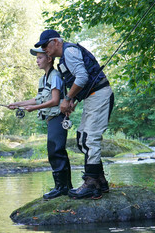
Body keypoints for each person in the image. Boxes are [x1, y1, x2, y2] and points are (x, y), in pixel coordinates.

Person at [34, 29, 114, 200]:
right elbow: (82, 82)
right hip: (92, 97)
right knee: (81, 138)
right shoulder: (65, 55)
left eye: (45, 45)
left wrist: (68, 98)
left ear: (56, 41)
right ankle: (100, 181)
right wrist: (72, 100)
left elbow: (82, 77)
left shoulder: (69, 51)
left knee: (89, 138)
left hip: (99, 95)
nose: (44, 49)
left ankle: (92, 184)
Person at [8, 48, 72, 200]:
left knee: (56, 150)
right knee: (54, 150)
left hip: (59, 116)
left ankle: (63, 188)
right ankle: (63, 186)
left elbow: (55, 100)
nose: (37, 60)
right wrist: (17, 104)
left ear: (49, 59)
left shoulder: (55, 76)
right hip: (51, 118)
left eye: (40, 57)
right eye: (37, 58)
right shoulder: (43, 79)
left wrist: (33, 108)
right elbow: (37, 99)